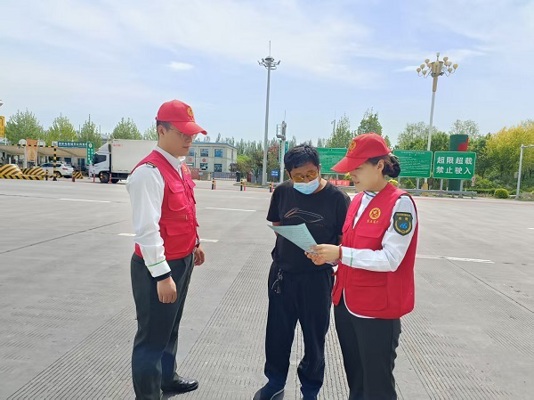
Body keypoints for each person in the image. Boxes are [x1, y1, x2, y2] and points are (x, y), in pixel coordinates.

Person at [308, 132, 418, 400]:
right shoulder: (357, 200)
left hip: (376, 310)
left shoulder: (400, 203)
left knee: (377, 387)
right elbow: (353, 248)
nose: (351, 174)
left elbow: (390, 259)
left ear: (379, 165)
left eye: (357, 168)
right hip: (346, 303)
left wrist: (341, 253)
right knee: (356, 381)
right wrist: (330, 257)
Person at [254, 145, 351, 400]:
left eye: (310, 174)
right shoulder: (283, 192)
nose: (306, 180)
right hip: (282, 275)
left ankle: (310, 390)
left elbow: (345, 241)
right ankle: (275, 382)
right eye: (299, 176)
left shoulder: (338, 199)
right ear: (289, 174)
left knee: (314, 338)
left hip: (317, 279)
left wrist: (328, 256)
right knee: (277, 334)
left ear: (319, 169)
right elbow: (277, 224)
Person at [126, 99, 207, 400]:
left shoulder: (179, 167)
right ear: (161, 130)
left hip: (182, 260)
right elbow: (147, 230)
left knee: (170, 327)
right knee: (151, 339)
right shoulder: (148, 172)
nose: (189, 139)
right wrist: (162, 275)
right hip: (157, 267)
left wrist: (194, 244)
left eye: (192, 134)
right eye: (183, 133)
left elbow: (183, 211)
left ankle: (167, 378)